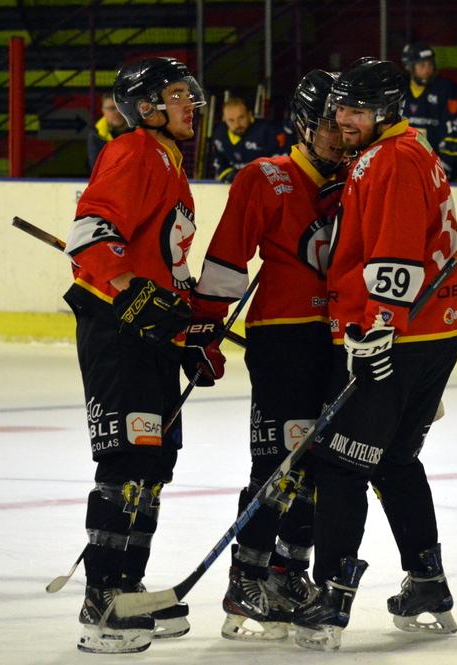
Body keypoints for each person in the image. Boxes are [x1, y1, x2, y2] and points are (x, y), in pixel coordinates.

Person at [292, 57, 457, 651]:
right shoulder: (407, 151)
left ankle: (331, 597)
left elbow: (393, 255)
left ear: (388, 110)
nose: (344, 121)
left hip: (399, 340)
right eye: (340, 108)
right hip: (431, 334)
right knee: (393, 461)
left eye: (357, 111)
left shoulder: (390, 160)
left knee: (341, 465)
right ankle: (428, 582)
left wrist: (376, 332)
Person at [191, 69, 347, 642]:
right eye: (327, 124)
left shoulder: (360, 176)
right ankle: (247, 576)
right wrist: (204, 329)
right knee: (278, 463)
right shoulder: (266, 176)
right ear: (303, 126)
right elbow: (229, 258)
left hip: (338, 341)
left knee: (316, 468)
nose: (337, 134)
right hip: (283, 339)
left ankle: (287, 575)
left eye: (344, 122)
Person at [62, 56, 206, 654]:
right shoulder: (132, 153)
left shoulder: (168, 162)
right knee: (126, 463)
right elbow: (91, 237)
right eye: (177, 95)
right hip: (117, 332)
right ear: (145, 107)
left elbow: (164, 265)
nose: (190, 104)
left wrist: (192, 331)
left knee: (152, 467)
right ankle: (102, 597)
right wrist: (131, 291)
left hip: (150, 337)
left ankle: (129, 585)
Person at [401, 43, 457, 180]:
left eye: (430, 65)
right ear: (410, 67)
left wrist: (445, 164)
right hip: (404, 160)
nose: (427, 70)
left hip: (438, 161)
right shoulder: (400, 89)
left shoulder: (446, 89)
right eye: (422, 65)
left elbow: (453, 128)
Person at [211, 97, 288, 183]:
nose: (237, 124)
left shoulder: (268, 131)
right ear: (224, 119)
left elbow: (282, 163)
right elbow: (220, 165)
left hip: (267, 184)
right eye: (231, 120)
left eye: (241, 118)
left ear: (249, 114)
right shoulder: (220, 136)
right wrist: (233, 178)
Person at [87, 92, 130, 171]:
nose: (117, 112)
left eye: (120, 107)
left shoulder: (141, 131)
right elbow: (96, 168)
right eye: (111, 108)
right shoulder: (96, 135)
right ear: (103, 111)